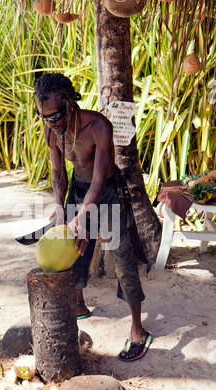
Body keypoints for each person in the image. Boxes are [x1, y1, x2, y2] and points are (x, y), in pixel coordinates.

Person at [34, 72, 152, 362]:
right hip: (78, 190)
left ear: (70, 102)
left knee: (122, 259)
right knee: (74, 251)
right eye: (44, 117)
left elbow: (99, 179)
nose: (51, 122)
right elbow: (59, 174)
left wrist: (84, 216)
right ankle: (78, 306)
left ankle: (138, 330)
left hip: (109, 193)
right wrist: (61, 208)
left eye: (55, 115)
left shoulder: (99, 125)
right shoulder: (52, 131)